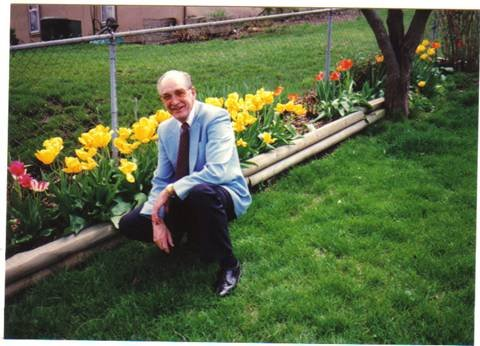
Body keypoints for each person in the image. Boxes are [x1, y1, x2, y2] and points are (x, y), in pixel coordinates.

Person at [119, 70, 252, 297]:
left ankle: (229, 265)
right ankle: (189, 234)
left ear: (192, 92)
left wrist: (172, 189)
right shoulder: (165, 129)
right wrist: (156, 219)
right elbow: (162, 179)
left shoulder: (216, 117)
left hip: (222, 192)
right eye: (167, 96)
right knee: (129, 223)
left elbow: (217, 171)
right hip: (183, 197)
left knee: (201, 193)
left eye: (179, 93)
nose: (174, 101)